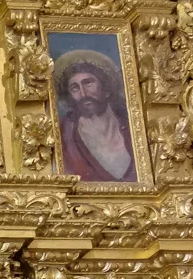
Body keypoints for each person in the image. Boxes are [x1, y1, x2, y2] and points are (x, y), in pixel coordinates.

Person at [55, 50, 136, 183]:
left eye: (88, 83)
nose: (83, 93)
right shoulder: (64, 135)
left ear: (106, 89)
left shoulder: (132, 127)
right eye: (75, 88)